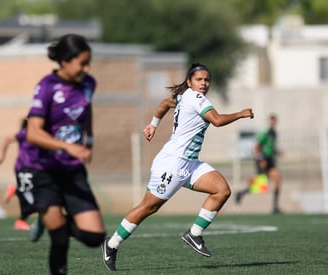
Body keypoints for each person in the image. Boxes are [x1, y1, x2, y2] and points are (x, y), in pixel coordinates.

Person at [101, 63, 254, 271]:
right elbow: (216, 121)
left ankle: (194, 234)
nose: (204, 83)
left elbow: (165, 103)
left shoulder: (183, 97)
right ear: (190, 82)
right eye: (199, 79)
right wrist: (240, 113)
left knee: (221, 190)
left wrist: (153, 124)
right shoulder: (196, 97)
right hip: (171, 164)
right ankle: (112, 244)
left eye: (207, 80)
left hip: (189, 163)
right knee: (148, 207)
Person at [26, 34, 106, 275]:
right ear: (64, 61)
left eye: (88, 62)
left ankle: (50, 219)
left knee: (95, 237)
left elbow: (87, 107)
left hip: (71, 170)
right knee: (60, 239)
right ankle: (52, 221)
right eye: (82, 63)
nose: (87, 68)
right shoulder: (47, 86)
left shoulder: (88, 83)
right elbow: (33, 133)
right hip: (42, 169)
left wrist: (89, 139)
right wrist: (69, 146)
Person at [235, 114, 283, 214]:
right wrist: (261, 159)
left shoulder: (274, 133)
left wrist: (277, 152)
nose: (272, 123)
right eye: (271, 121)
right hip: (263, 160)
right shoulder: (265, 133)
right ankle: (240, 193)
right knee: (261, 185)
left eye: (274, 121)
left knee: (277, 180)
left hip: (270, 160)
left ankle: (275, 207)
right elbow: (257, 147)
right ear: (269, 122)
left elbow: (270, 147)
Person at [0, 118, 35, 231]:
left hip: (33, 169)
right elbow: (8, 139)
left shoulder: (39, 133)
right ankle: (21, 220)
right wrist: (1, 157)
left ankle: (14, 191)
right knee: (30, 196)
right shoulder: (26, 133)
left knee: (36, 193)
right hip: (24, 168)